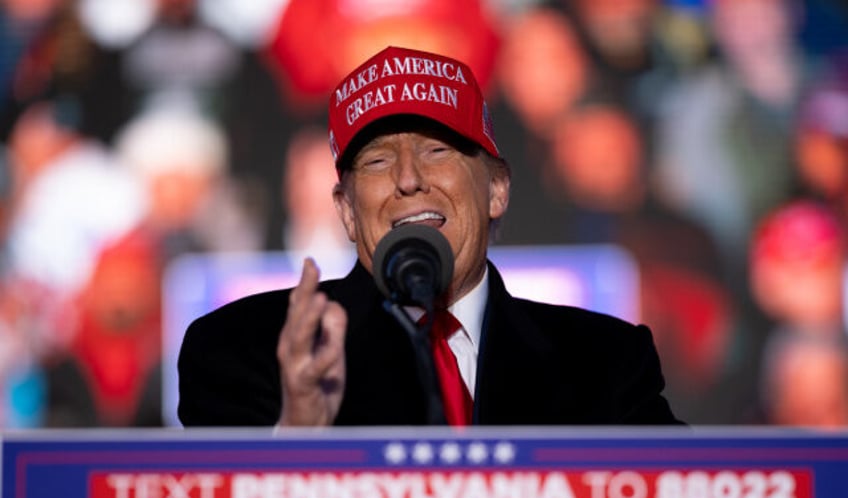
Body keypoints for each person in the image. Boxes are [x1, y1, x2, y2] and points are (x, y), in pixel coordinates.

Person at [177, 45, 682, 428]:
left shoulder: (606, 363)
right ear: (347, 212)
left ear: (497, 191)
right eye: (376, 160)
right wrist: (300, 442)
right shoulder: (244, 350)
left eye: (438, 151)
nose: (408, 178)